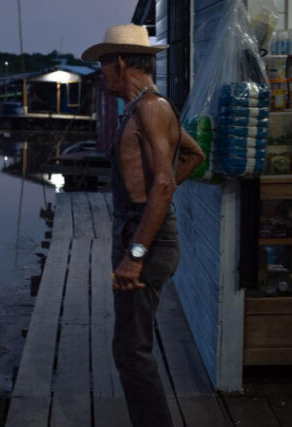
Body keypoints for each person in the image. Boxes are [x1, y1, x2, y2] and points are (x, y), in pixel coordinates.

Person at [82, 24, 205, 426]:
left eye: (103, 65)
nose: (102, 74)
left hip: (144, 240)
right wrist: (158, 194)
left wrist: (136, 253)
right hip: (140, 229)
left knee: (131, 351)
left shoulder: (151, 108)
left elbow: (166, 181)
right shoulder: (144, 107)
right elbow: (193, 155)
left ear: (119, 62)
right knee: (131, 346)